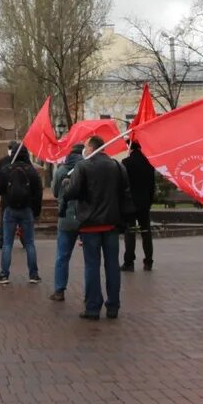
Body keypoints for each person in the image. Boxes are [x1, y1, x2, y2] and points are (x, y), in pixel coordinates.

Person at [63, 134, 132, 320]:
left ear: (92, 148)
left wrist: (66, 185)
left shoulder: (83, 166)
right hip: (111, 224)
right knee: (112, 266)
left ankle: (93, 307)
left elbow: (72, 192)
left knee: (91, 266)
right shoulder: (117, 166)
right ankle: (113, 307)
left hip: (89, 224)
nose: (84, 150)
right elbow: (125, 194)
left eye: (86, 146)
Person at [0, 145, 43, 284]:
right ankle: (33, 275)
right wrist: (36, 212)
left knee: (7, 243)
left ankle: (4, 274)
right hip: (27, 210)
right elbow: (38, 192)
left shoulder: (6, 169)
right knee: (30, 243)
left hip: (10, 209)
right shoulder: (32, 171)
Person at [49, 141, 85, 302]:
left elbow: (56, 193)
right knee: (90, 259)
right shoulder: (87, 169)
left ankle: (59, 290)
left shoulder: (61, 170)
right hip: (85, 219)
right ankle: (89, 294)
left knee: (62, 256)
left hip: (65, 219)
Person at [121, 141, 156, 272]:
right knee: (146, 232)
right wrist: (149, 201)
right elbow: (152, 186)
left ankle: (129, 262)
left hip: (130, 204)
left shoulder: (125, 163)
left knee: (130, 233)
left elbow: (123, 185)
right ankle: (148, 262)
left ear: (129, 147)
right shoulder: (149, 162)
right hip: (144, 204)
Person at [0, 143, 16, 250]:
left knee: (5, 218)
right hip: (19, 195)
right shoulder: (24, 161)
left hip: (7, 194)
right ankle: (25, 241)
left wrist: (1, 188)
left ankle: (3, 240)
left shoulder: (3, 161)